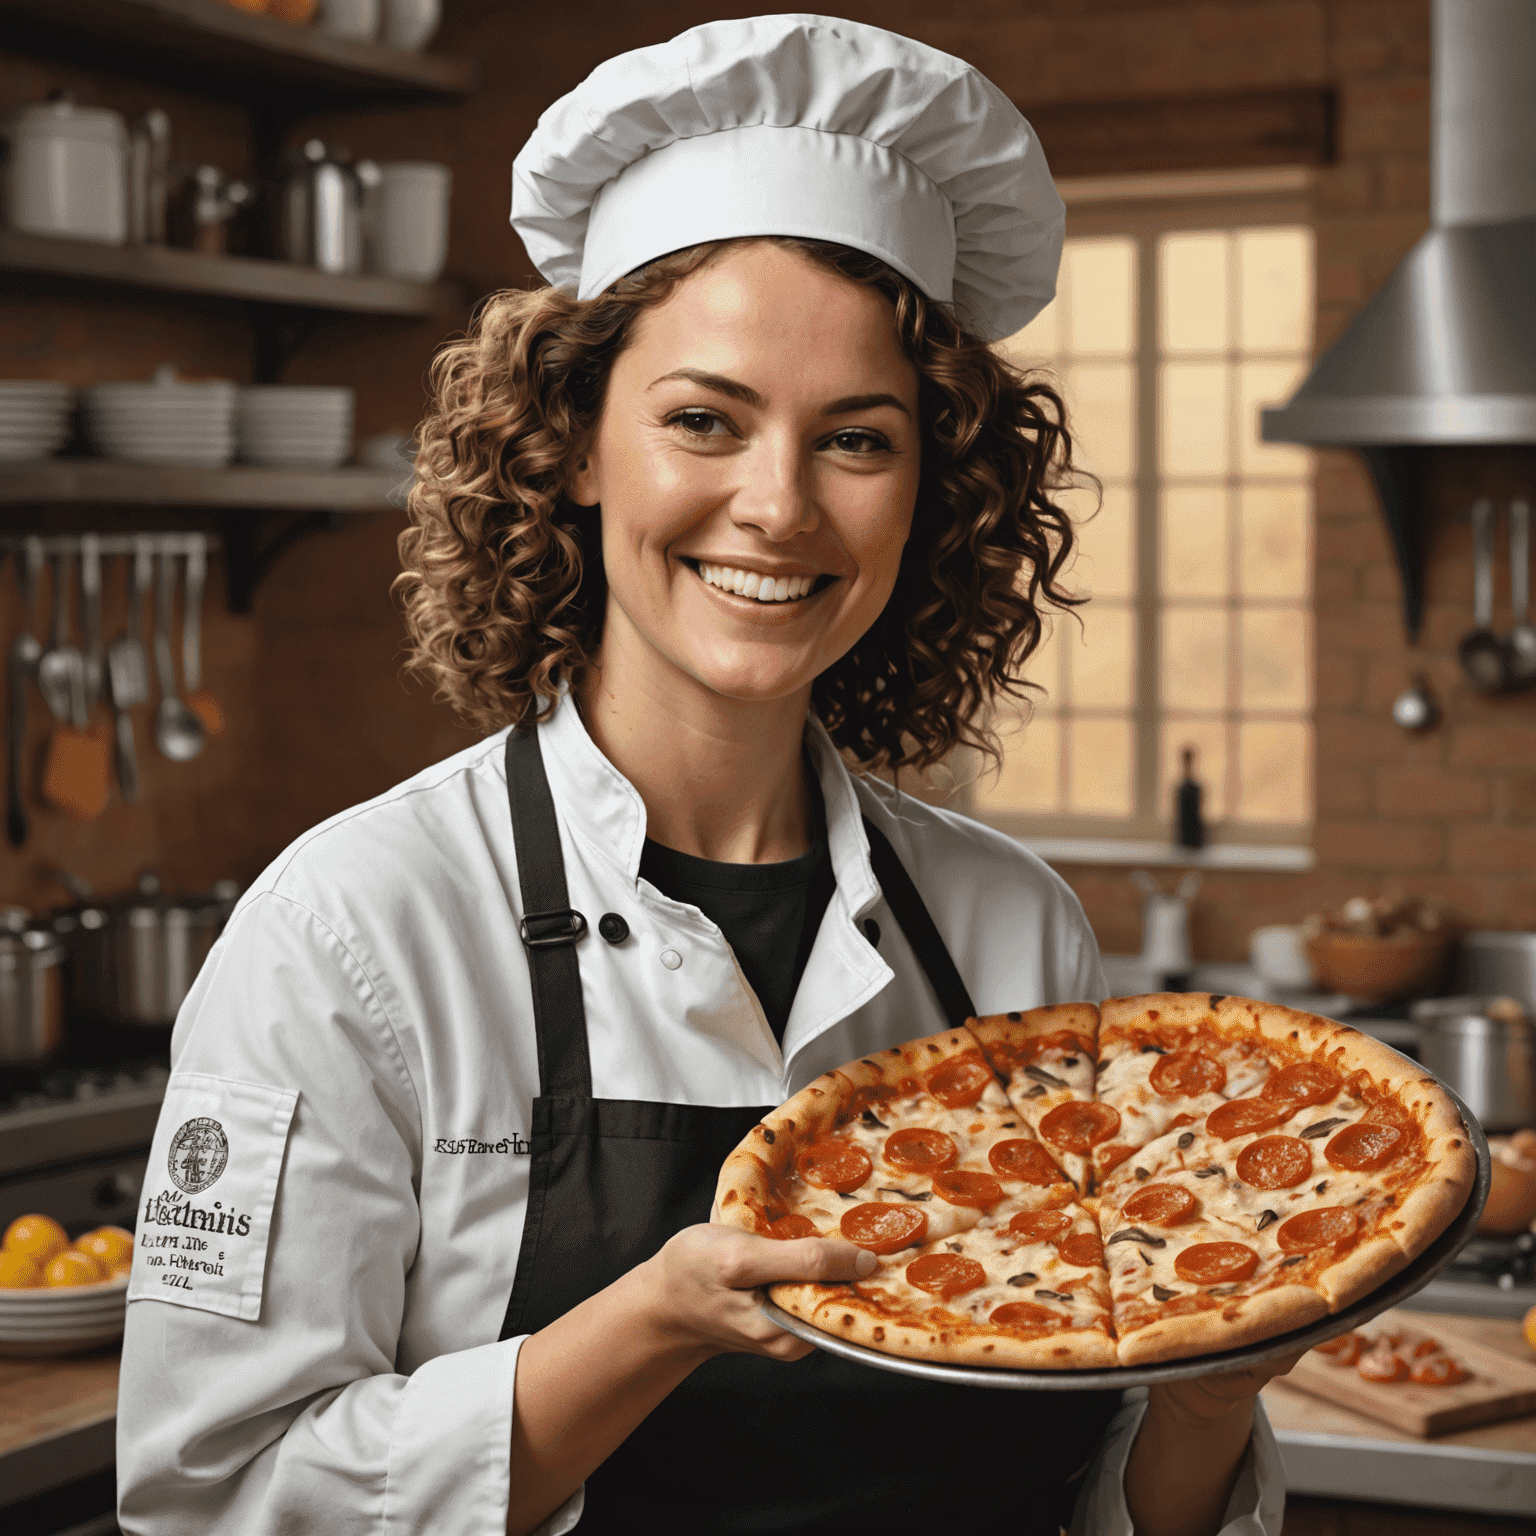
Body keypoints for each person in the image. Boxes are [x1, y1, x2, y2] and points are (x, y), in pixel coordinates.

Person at [117, 15, 1295, 1536]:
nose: (778, 506)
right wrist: (650, 1323)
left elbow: (1099, 1501)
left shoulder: (1012, 928)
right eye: (703, 421)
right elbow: (212, 1497)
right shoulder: (354, 929)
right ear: (578, 445)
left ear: (931, 491)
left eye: (857, 440)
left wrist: (1208, 1395)